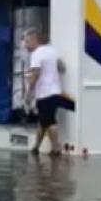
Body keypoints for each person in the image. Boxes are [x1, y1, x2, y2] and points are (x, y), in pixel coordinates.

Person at [25, 27, 70, 156]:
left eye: (28, 42)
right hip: (55, 91)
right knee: (43, 120)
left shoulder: (36, 54)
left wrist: (29, 93)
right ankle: (36, 146)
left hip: (44, 93)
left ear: (35, 40)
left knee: (49, 121)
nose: (27, 45)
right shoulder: (52, 51)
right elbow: (62, 67)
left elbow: (35, 74)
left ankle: (56, 148)